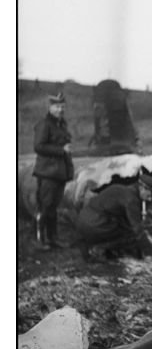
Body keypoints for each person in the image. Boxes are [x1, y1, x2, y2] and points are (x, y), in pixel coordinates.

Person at [74, 174, 152, 262]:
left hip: (82, 222)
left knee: (126, 230)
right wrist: (151, 252)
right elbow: (137, 230)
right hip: (94, 225)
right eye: (149, 195)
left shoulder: (120, 189)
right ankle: (99, 248)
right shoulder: (131, 200)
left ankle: (97, 245)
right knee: (132, 236)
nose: (149, 199)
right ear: (142, 188)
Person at [32, 93, 74, 250]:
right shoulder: (44, 124)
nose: (60, 110)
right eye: (57, 106)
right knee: (44, 206)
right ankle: (38, 240)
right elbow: (39, 146)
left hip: (59, 173)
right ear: (49, 108)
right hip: (47, 172)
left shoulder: (61, 124)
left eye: (63, 107)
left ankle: (53, 238)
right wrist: (61, 150)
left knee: (53, 207)